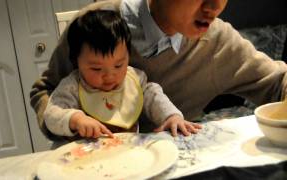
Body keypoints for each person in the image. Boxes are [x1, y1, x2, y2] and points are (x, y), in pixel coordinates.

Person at [30, 0, 287, 139]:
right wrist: (71, 124)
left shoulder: (218, 41)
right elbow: (45, 90)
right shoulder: (94, 25)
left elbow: (278, 81)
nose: (214, 6)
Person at [44, 9, 201, 139]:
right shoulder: (73, 86)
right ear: (75, 61)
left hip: (127, 154)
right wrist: (76, 119)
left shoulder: (134, 79)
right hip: (86, 158)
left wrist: (171, 116)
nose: (109, 76)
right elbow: (52, 113)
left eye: (119, 65)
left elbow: (153, 96)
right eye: (96, 69)